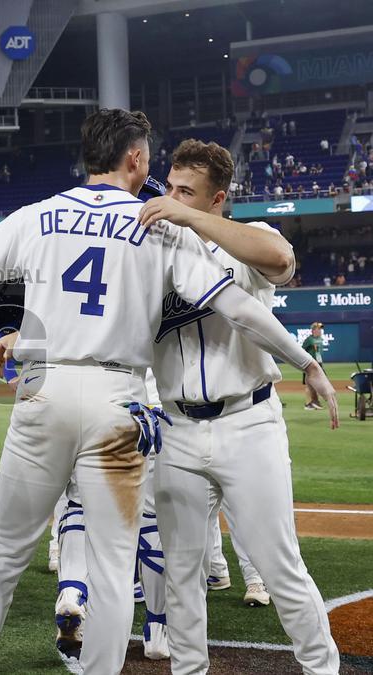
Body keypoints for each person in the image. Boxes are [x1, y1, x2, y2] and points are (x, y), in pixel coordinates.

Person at [0, 109, 337, 674]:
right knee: (114, 567)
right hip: (124, 401)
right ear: (135, 159)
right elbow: (233, 305)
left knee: (3, 554)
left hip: (47, 388)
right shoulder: (152, 225)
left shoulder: (37, 215)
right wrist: (306, 360)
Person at [137, 139, 339, 674]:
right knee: (181, 574)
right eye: (171, 186)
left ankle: (323, 669)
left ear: (217, 198)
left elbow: (279, 258)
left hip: (248, 421)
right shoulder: (155, 248)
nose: (172, 198)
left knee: (280, 566)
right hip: (177, 426)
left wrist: (185, 216)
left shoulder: (251, 240)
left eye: (188, 192)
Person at [302, 321, 325, 410]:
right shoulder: (309, 340)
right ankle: (310, 403)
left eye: (320, 329)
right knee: (309, 383)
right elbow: (302, 350)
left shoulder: (320, 339)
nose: (320, 331)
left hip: (319, 363)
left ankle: (314, 402)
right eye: (318, 329)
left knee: (316, 383)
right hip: (310, 364)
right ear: (313, 330)